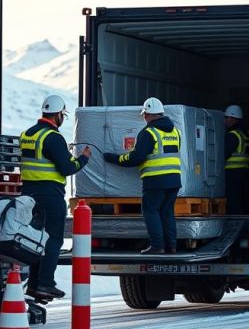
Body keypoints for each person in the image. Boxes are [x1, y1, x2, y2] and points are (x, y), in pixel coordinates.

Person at [20, 94, 91, 300]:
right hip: (50, 195)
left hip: (28, 194)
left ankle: (33, 285)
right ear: (59, 114)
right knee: (53, 240)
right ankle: (45, 284)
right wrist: (83, 159)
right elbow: (68, 168)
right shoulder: (53, 137)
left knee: (35, 240)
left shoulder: (27, 135)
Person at [103, 97, 182, 254]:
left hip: (155, 180)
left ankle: (157, 246)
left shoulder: (149, 133)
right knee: (167, 212)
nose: (144, 118)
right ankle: (171, 246)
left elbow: (136, 158)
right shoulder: (175, 131)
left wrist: (115, 158)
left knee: (150, 211)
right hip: (174, 180)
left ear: (149, 115)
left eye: (145, 115)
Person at [223, 104, 249, 215]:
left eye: (226, 118)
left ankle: (234, 223)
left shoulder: (232, 135)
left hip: (233, 172)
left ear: (232, 118)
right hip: (245, 171)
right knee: (242, 199)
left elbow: (224, 153)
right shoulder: (246, 133)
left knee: (233, 200)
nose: (225, 121)